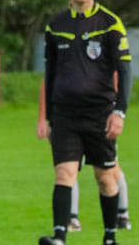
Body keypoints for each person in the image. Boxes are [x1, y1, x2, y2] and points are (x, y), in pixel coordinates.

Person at [37, 0, 132, 245]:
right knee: (64, 174)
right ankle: (59, 240)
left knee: (105, 178)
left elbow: (125, 71)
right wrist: (48, 117)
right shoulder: (55, 26)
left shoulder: (110, 24)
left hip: (100, 115)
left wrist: (120, 112)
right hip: (65, 115)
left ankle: (110, 238)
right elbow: (49, 75)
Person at [36, 81, 132, 232]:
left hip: (99, 119)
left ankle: (122, 215)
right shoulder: (64, 58)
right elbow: (47, 79)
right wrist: (44, 119)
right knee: (67, 169)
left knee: (109, 169)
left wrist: (116, 111)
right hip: (68, 119)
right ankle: (71, 218)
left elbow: (117, 77)